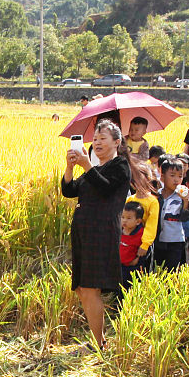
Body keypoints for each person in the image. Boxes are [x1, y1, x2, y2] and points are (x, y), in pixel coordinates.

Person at [61, 119, 131, 349]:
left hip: (101, 232)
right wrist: (71, 167)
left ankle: (99, 343)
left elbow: (105, 188)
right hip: (83, 230)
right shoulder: (95, 168)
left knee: (91, 287)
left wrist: (86, 166)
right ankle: (98, 341)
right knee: (82, 288)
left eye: (103, 139)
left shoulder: (120, 166)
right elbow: (69, 190)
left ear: (117, 142)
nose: (97, 143)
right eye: (96, 139)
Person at [156, 157, 189, 270]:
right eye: (172, 175)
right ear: (162, 176)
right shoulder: (156, 195)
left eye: (180, 176)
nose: (176, 180)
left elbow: (185, 218)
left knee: (172, 271)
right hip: (158, 240)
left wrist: (185, 201)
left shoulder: (182, 197)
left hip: (175, 241)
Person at [128, 159, 159, 270]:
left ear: (149, 179)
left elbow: (151, 225)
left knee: (142, 270)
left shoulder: (152, 201)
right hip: (129, 241)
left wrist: (145, 245)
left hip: (142, 244)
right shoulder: (130, 199)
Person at [120, 201, 146, 294]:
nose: (124, 220)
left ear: (138, 221)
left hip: (133, 269)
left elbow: (144, 252)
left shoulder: (142, 235)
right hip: (119, 268)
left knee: (131, 291)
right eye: (122, 217)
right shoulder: (119, 231)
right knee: (119, 291)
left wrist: (137, 260)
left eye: (128, 218)